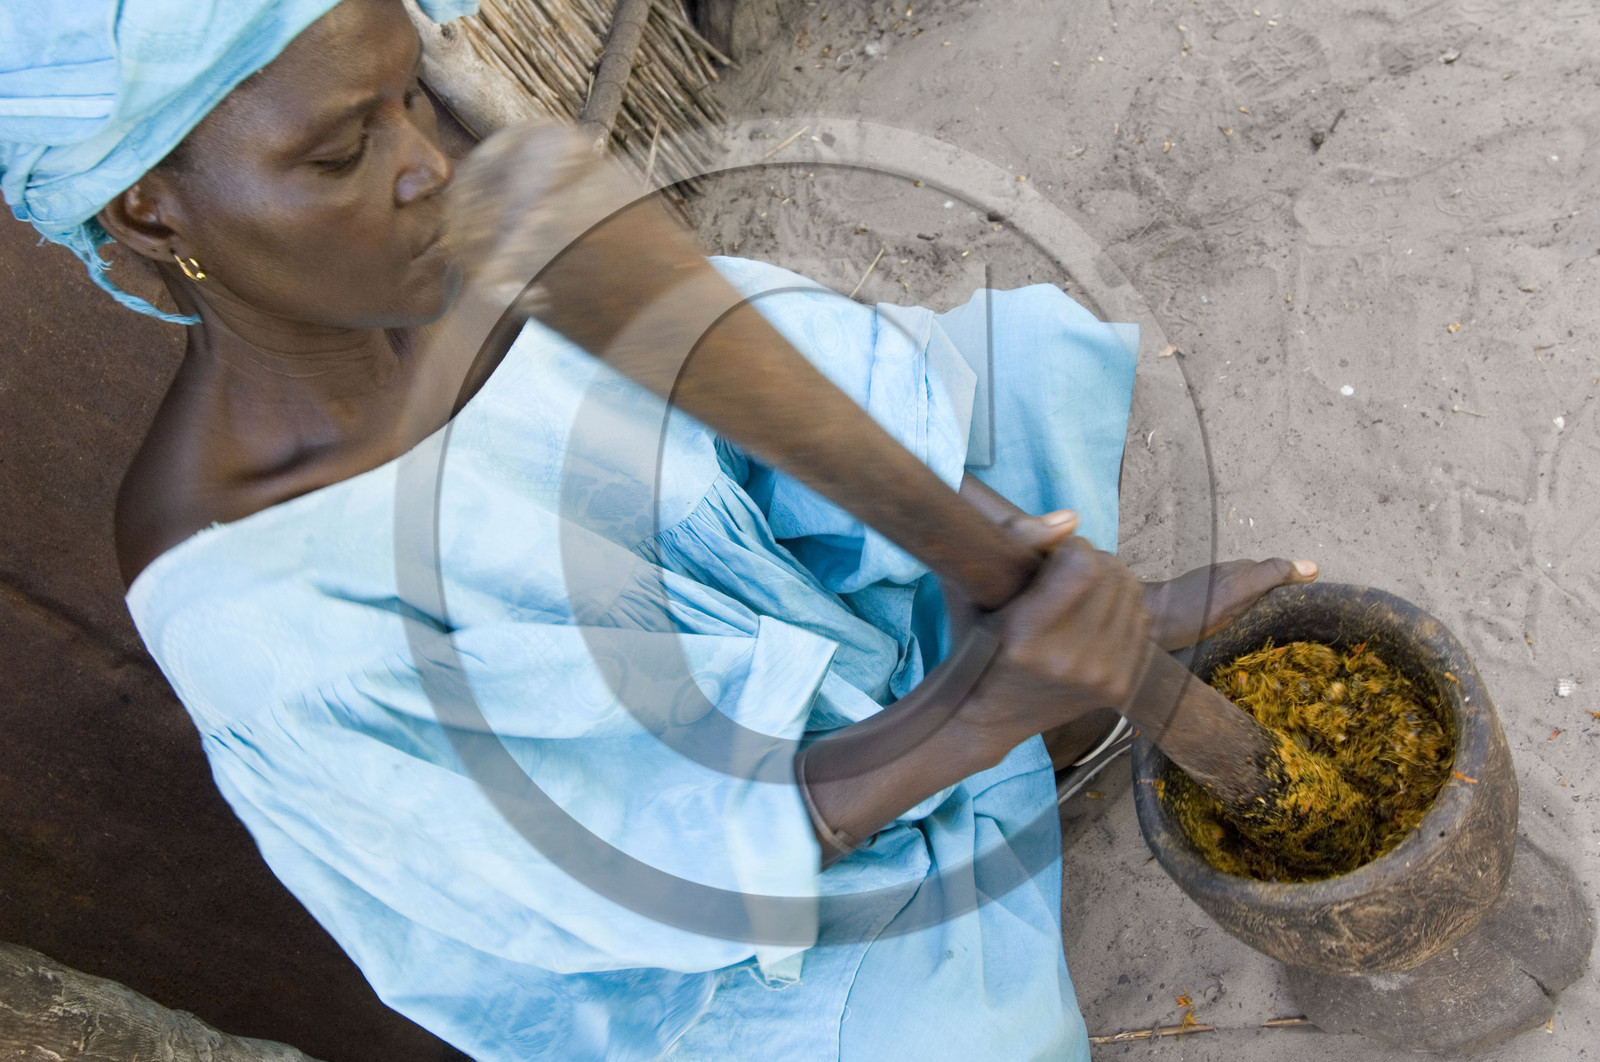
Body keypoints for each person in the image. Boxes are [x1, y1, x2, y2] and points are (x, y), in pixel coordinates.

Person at [1, 1, 1317, 1058]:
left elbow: (784, 422)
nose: (424, 164)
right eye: (340, 151)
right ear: (147, 210)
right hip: (704, 915)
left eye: (412, 92)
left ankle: (1051, 704)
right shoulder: (265, 624)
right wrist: (981, 706)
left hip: (820, 653)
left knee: (1006, 394)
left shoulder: (459, 268)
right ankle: (1025, 724)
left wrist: (992, 553)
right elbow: (621, 871)